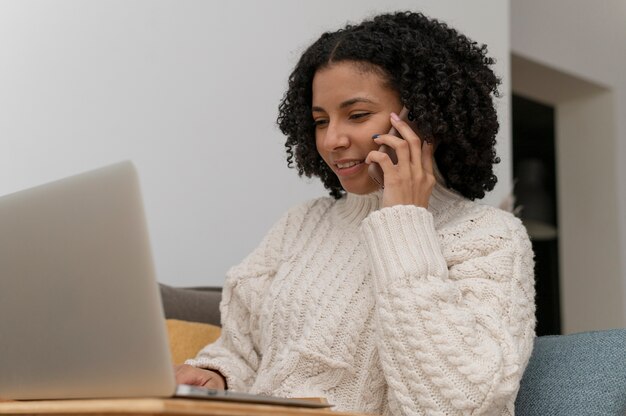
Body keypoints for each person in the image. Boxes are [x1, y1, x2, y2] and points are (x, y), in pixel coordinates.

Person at [175, 11, 535, 416]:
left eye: (358, 115)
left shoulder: (489, 236)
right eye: (320, 121)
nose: (331, 140)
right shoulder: (301, 224)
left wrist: (403, 222)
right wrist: (218, 375)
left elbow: (460, 404)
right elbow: (243, 347)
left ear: (423, 117)